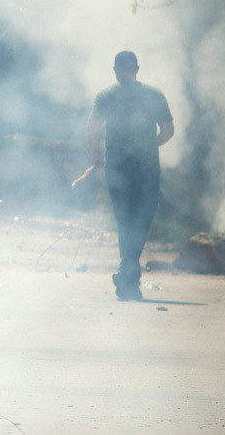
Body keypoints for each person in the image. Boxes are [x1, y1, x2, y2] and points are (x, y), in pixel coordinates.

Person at [86, 51, 174, 301]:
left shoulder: (105, 96)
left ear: (115, 70)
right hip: (147, 169)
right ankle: (128, 273)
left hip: (117, 168)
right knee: (142, 219)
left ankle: (128, 272)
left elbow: (91, 130)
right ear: (137, 68)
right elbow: (168, 131)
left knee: (124, 219)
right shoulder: (154, 95)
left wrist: (96, 158)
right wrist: (149, 145)